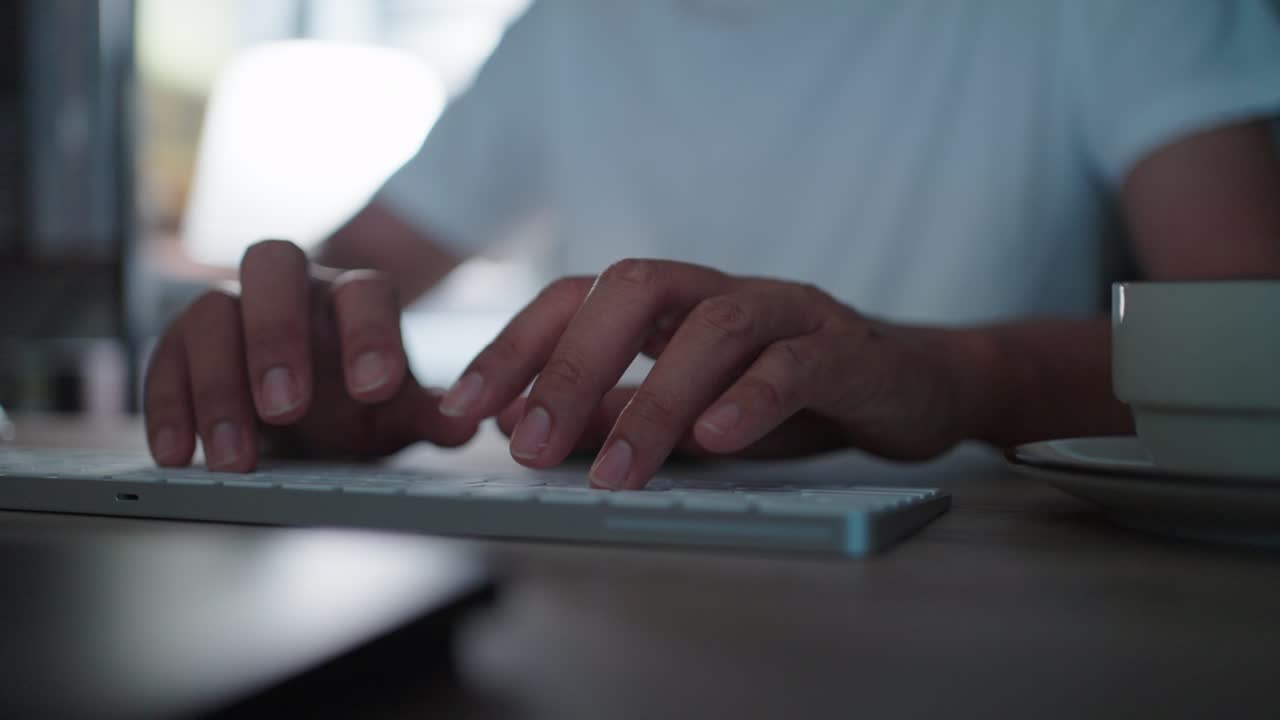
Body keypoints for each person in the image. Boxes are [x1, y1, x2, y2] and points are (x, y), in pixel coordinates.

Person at [143, 0, 1280, 490]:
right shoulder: (569, 27)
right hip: (612, 602)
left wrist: (948, 376)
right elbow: (350, 278)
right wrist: (304, 355)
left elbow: (1256, 347)